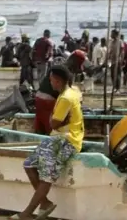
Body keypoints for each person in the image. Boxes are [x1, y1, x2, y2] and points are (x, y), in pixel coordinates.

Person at [13, 65, 84, 220]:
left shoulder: (65, 98)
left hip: (67, 139)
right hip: (58, 137)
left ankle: (26, 213)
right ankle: (45, 203)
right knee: (29, 164)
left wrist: (53, 117)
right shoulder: (73, 91)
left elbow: (53, 123)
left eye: (51, 80)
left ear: (58, 81)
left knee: (46, 175)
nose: (50, 83)